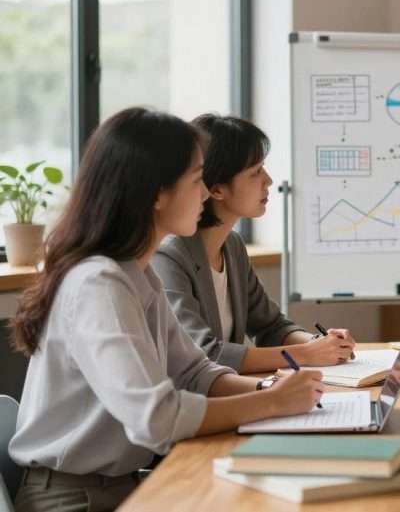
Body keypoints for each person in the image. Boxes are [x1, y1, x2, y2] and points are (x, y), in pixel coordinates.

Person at [8, 108, 325, 512]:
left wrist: (279, 391)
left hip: (116, 486)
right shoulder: (98, 284)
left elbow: (194, 372)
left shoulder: (135, 274)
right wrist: (274, 403)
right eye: (196, 180)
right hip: (74, 500)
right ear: (157, 193)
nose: (206, 193)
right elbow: (155, 419)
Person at [152, 114, 355, 374]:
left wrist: (321, 343)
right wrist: (306, 353)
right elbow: (204, 353)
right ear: (216, 189)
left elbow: (270, 327)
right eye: (255, 172)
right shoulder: (169, 255)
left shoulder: (232, 245)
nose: (269, 180)